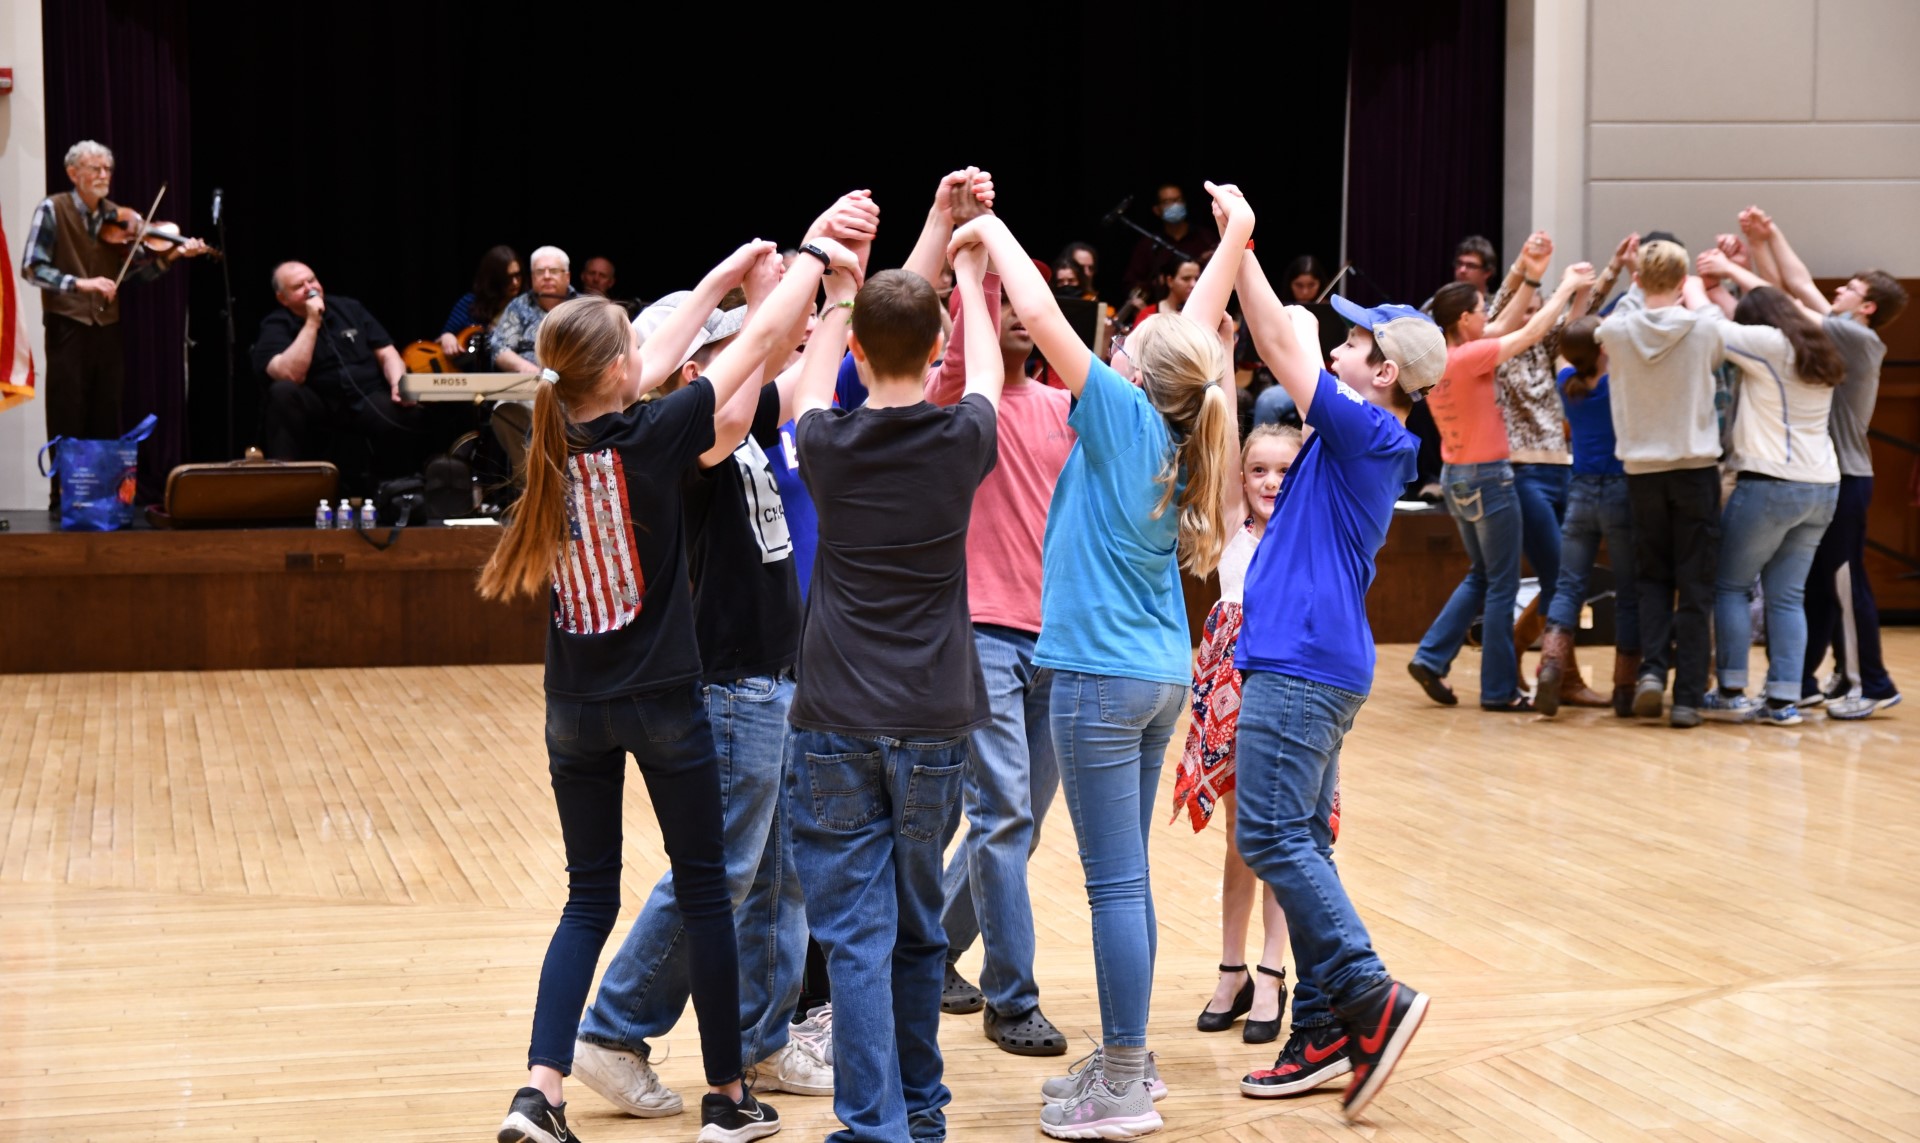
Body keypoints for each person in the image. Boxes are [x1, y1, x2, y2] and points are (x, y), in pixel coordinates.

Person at [476, 230, 850, 1143]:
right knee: (708, 892)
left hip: (573, 710)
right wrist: (809, 255)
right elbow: (758, 346)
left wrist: (725, 274)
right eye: (637, 351)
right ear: (617, 371)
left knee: (586, 899)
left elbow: (665, 354)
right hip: (666, 703)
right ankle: (727, 1095)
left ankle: (541, 1089)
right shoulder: (654, 436)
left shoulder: (549, 431)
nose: (656, 358)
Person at [564, 196, 878, 1132]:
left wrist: (840, 296)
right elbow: (755, 370)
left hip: (775, 672)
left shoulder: (746, 419)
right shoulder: (687, 436)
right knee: (724, 870)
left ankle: (759, 1038)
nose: (756, 346)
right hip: (732, 676)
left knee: (777, 868)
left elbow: (814, 384)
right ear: (686, 367)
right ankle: (614, 1027)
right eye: (732, 343)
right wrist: (801, 265)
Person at [955, 180, 1247, 1140]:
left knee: (1114, 885)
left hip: (1095, 676)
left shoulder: (1124, 412)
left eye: (1128, 344)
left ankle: (1121, 1081)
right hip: (1155, 673)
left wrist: (988, 225)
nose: (1117, 342)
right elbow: (1191, 343)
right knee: (1130, 881)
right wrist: (1236, 238)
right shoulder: (1176, 414)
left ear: (1135, 373)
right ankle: (1132, 1059)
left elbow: (1038, 313)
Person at [782, 180, 1006, 1143]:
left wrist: (838, 290)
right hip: (935, 721)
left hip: (834, 716)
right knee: (918, 929)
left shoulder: (826, 442)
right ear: (940, 348)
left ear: (859, 351)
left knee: (858, 938)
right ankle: (921, 1111)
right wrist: (967, 273)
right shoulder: (965, 438)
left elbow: (800, 385)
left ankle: (875, 1124)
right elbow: (987, 372)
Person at [1227, 200, 1442, 1119]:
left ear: (1382, 371)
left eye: (1358, 343)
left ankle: (1367, 993)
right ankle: (1319, 1027)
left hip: (1304, 664)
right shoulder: (1363, 433)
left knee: (1270, 835)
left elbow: (1279, 340)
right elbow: (1288, 344)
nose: (1342, 346)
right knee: (1297, 837)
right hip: (1316, 662)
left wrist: (1240, 240)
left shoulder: (1366, 427)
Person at [900, 171, 1079, 1059]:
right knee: (1003, 814)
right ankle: (1014, 999)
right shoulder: (952, 404)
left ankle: (927, 946)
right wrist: (964, 243)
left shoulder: (1063, 405)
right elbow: (920, 308)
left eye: (1023, 299)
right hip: (981, 638)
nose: (1012, 311)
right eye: (999, 298)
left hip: (1062, 642)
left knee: (1019, 820)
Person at [1737, 206, 1907, 720]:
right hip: (1831, 478)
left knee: (1841, 582)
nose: (1837, 292)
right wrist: (1767, 238)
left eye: (1849, 289)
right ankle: (1804, 680)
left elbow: (1783, 302)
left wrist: (1732, 271)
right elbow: (1793, 285)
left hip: (1848, 478)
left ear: (1867, 307)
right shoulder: (1843, 326)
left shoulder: (1856, 337)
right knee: (1813, 585)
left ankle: (1871, 682)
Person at [1406, 257, 1595, 712]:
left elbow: (1505, 325)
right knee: (1502, 586)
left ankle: (1431, 657)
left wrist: (1530, 277)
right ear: (1464, 320)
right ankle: (1498, 691)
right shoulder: (1472, 356)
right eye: (1481, 310)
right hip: (1490, 479)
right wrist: (1566, 287)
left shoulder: (1441, 359)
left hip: (1456, 478)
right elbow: (1529, 334)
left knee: (1484, 575)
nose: (1488, 316)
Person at [1171, 423, 1303, 1047]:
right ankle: (1232, 969)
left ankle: (1274, 972)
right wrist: (1225, 348)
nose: (1271, 481)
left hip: (1281, 680)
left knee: (1277, 832)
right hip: (1226, 686)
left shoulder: (1310, 528)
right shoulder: (1231, 525)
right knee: (1238, 835)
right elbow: (1222, 445)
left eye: (1284, 469)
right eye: (1259, 470)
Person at [1693, 256, 1847, 725]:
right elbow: (1748, 311)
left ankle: (1732, 690)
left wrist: (1695, 285)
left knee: (1732, 587)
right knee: (1787, 596)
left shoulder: (1769, 345)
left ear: (1757, 321)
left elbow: (1708, 327)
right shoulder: (1816, 345)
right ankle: (1783, 699)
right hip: (1822, 487)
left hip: (1771, 484)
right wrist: (1726, 282)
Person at [21, 139, 208, 501]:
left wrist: (171, 258)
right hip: (68, 327)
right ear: (73, 173)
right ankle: (64, 499)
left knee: (106, 414)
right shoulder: (52, 209)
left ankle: (103, 500)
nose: (104, 175)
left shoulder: (121, 217)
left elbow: (132, 276)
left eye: (107, 169)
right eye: (95, 169)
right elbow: (32, 268)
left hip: (108, 329)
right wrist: (80, 284)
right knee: (67, 414)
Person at [1487, 234, 1625, 711]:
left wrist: (1611, 269)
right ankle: (1560, 676)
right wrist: (1528, 269)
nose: (1533, 316)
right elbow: (1503, 306)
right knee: (1560, 575)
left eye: (1537, 309)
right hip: (1522, 473)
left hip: (1562, 470)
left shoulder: (1549, 356)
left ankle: (1523, 651)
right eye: (1528, 310)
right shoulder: (1497, 353)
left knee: (1563, 579)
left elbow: (1580, 328)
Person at [1594, 240, 1728, 729]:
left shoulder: (1617, 330)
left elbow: (1617, 316)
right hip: (1695, 470)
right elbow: (1715, 324)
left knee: (1652, 579)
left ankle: (1652, 672)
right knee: (1695, 585)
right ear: (1680, 280)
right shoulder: (1703, 327)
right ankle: (1688, 697)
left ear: (1639, 280)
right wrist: (1696, 292)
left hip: (1641, 474)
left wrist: (1635, 282)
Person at [252, 261, 439, 487]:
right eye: (298, 286)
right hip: (317, 401)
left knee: (407, 412)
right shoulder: (275, 324)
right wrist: (312, 322)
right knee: (282, 392)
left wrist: (399, 383)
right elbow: (291, 374)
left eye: (311, 280)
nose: (310, 288)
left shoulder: (350, 308)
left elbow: (387, 353)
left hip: (365, 396)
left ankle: (399, 492)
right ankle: (285, 489)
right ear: (283, 298)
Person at [1539, 316, 1641, 717]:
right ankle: (1625, 687)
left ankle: (1551, 667)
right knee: (1629, 591)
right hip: (1620, 492)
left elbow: (1562, 353)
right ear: (1603, 348)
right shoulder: (1619, 385)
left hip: (1579, 491)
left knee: (1568, 587)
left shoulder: (1568, 384)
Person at [1121, 182, 1219, 294]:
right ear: (1157, 210)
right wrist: (1154, 284)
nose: (1175, 205)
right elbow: (1131, 283)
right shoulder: (1149, 244)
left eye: (1178, 200)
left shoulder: (1205, 237)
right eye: (1168, 202)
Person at [492, 246, 579, 373]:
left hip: (575, 383)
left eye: (554, 271)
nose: (547, 276)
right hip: (527, 384)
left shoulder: (583, 306)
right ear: (532, 277)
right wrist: (531, 371)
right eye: (540, 271)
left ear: (568, 276)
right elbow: (499, 347)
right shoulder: (518, 306)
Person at [437, 245, 521, 360]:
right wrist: (447, 337)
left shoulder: (524, 307)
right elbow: (442, 338)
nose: (515, 282)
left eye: (517, 275)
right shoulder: (469, 303)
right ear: (493, 279)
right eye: (507, 278)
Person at [1129, 255, 1200, 326]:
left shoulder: (1198, 316)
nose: (1193, 284)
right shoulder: (1149, 312)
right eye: (1186, 279)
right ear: (1170, 281)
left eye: (1196, 279)